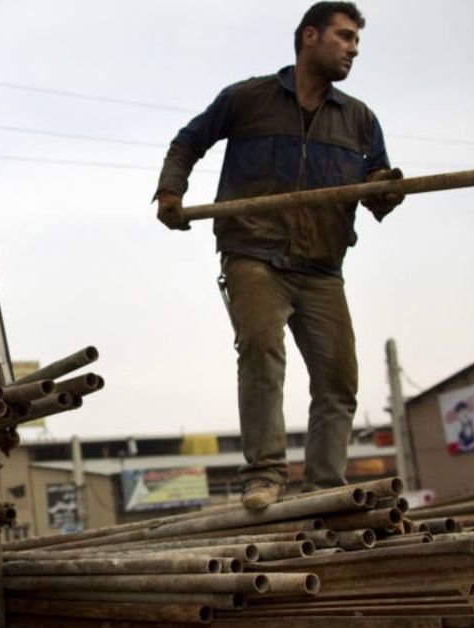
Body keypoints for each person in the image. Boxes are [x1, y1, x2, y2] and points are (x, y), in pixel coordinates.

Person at [153, 2, 404, 509]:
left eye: (356, 41)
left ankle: (325, 491)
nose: (352, 48)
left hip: (322, 267)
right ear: (310, 37)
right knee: (263, 354)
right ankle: (264, 475)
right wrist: (170, 194)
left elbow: (378, 186)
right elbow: (189, 141)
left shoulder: (359, 120)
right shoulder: (249, 99)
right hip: (254, 253)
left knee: (338, 381)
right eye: (344, 36)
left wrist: (385, 188)